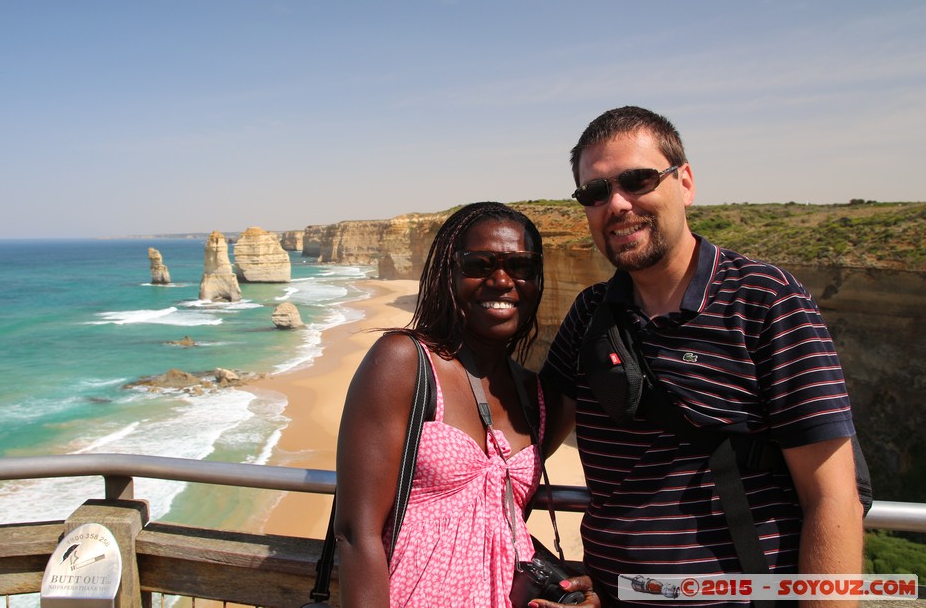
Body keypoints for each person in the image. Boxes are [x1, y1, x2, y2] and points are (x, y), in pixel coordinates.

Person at [535, 106, 864, 606]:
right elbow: (525, 444)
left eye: (638, 180)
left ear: (684, 182)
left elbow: (832, 498)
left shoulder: (764, 300)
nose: (617, 204)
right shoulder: (590, 314)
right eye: (595, 192)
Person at [333, 201, 596, 607]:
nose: (502, 280)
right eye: (479, 265)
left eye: (521, 266)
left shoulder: (536, 397)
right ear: (448, 274)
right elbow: (356, 533)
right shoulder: (405, 362)